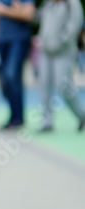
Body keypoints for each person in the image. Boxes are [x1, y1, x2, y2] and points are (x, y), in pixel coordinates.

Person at [0, 0, 36, 130]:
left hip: (19, 40)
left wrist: (5, 11)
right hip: (2, 42)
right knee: (5, 79)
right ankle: (14, 116)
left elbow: (29, 14)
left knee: (11, 75)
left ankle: (18, 118)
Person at [38, 0, 85, 132]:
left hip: (63, 51)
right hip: (46, 51)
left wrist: (61, 41)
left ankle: (81, 114)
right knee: (44, 84)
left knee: (63, 84)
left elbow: (74, 25)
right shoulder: (49, 4)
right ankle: (46, 122)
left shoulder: (72, 3)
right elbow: (42, 21)